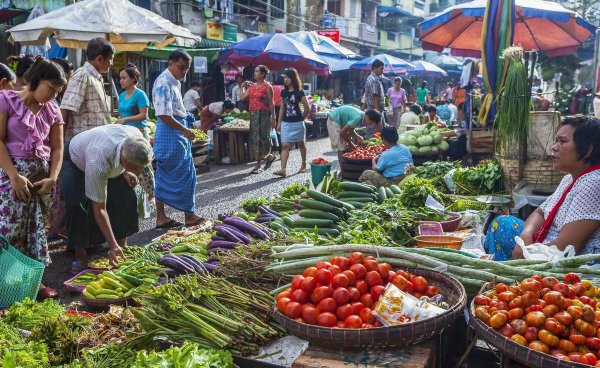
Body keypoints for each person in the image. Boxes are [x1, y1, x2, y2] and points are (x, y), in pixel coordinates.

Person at [484, 115, 600, 261]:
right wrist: (526, 234)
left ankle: (508, 278)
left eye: (562, 141)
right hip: (545, 245)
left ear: (588, 150)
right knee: (502, 223)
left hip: (567, 261)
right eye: (556, 140)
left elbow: (564, 248)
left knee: (502, 230)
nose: (554, 147)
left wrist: (529, 254)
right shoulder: (570, 178)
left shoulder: (594, 183)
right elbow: (540, 212)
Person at [0, 57, 67, 299]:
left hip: (41, 180)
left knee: (36, 231)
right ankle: (5, 284)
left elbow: (58, 149)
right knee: (8, 230)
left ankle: (35, 283)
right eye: (50, 88)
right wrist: (14, 176)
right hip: (10, 177)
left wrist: (53, 178)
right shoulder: (6, 100)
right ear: (36, 80)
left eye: (57, 91)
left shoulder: (53, 110)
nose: (53, 95)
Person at [61, 124, 152, 271]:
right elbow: (100, 209)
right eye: (134, 168)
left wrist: (127, 171)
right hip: (75, 160)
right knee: (77, 205)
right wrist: (112, 245)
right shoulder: (99, 159)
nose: (139, 171)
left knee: (124, 196)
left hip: (108, 155)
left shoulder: (136, 138)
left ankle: (123, 247)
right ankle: (81, 255)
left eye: (139, 168)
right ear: (123, 158)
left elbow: (133, 161)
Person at [152, 50, 205, 229]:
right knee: (169, 174)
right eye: (182, 68)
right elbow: (163, 114)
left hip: (177, 133)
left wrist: (186, 119)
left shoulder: (175, 82)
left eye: (187, 69)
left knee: (183, 173)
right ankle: (175, 216)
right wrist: (184, 130)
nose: (184, 72)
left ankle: (175, 215)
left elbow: (175, 110)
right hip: (170, 133)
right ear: (171, 64)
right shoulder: (163, 82)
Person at [61, 38, 114, 140]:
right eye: (110, 59)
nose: (111, 63)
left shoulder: (97, 78)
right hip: (82, 145)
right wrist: (60, 144)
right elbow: (65, 109)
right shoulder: (82, 75)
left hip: (96, 142)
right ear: (99, 59)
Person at [273, 68, 310, 177]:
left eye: (288, 77)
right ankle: (283, 169)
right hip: (286, 123)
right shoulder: (283, 92)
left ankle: (303, 164)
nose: (286, 79)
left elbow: (307, 107)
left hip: (298, 123)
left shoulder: (299, 91)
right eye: (284, 77)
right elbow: (282, 109)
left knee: (301, 144)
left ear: (293, 78)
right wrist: (279, 123)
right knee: (284, 145)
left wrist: (302, 119)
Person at [239, 65, 276, 174]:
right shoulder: (251, 87)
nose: (254, 73)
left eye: (257, 71)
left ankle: (266, 157)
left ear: (263, 74)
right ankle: (261, 162)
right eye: (254, 71)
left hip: (264, 114)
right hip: (253, 114)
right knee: (255, 139)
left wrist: (273, 117)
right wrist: (242, 87)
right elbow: (242, 98)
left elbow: (271, 103)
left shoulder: (268, 87)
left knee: (264, 137)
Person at [327, 106, 380, 178]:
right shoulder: (358, 118)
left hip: (339, 121)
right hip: (334, 121)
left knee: (344, 146)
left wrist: (357, 136)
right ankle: (343, 173)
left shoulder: (361, 116)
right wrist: (350, 144)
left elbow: (350, 128)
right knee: (341, 148)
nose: (369, 125)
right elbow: (343, 132)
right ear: (368, 118)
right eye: (371, 123)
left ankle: (344, 171)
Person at [117, 64, 150, 136]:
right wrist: (119, 120)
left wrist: (125, 119)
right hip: (125, 132)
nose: (121, 81)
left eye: (124, 78)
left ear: (133, 79)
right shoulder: (121, 95)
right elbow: (121, 113)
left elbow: (144, 115)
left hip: (138, 132)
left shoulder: (140, 94)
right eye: (120, 78)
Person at [272, 75, 285, 160]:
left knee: (273, 131)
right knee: (280, 131)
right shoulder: (283, 89)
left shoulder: (272, 87)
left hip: (272, 110)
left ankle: (273, 152)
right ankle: (281, 153)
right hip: (281, 110)